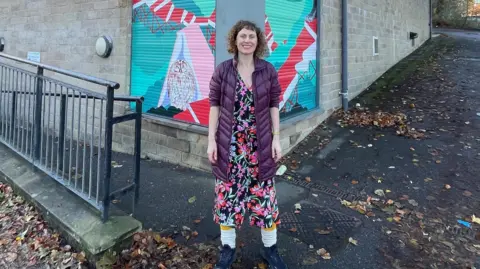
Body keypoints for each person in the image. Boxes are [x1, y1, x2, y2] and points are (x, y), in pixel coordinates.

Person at [207, 20, 288, 269]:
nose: (247, 40)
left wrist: (276, 136)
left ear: (258, 41)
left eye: (251, 36)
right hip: (229, 146)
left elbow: (274, 104)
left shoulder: (268, 71)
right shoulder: (223, 70)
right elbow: (214, 105)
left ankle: (270, 249)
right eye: (242, 36)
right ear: (235, 40)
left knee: (265, 198)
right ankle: (228, 250)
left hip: (259, 146)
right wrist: (211, 140)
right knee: (228, 199)